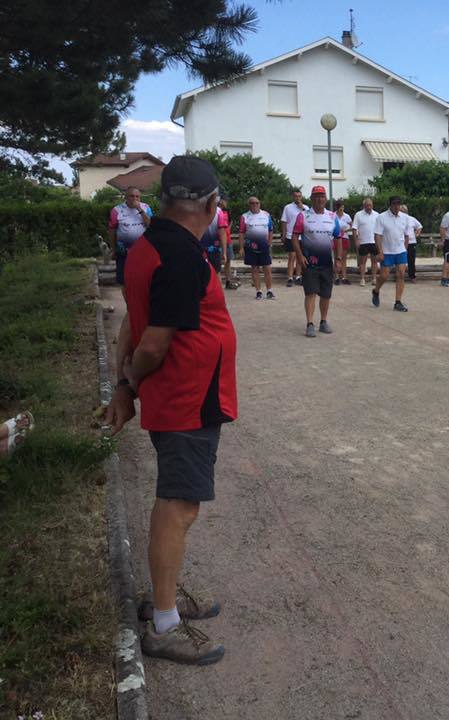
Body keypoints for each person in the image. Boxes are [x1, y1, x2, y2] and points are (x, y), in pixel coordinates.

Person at [104, 155, 236, 666]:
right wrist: (132, 381)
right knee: (179, 506)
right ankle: (163, 623)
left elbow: (131, 322)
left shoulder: (147, 246)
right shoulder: (180, 257)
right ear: (211, 203)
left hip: (180, 397)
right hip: (187, 400)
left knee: (177, 503)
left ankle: (164, 595)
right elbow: (153, 344)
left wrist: (124, 386)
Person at [292, 186, 340, 336]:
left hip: (327, 263)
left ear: (326, 199)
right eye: (316, 196)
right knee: (310, 293)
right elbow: (294, 237)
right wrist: (300, 256)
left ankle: (323, 321)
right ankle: (310, 323)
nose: (320, 199)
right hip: (309, 263)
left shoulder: (332, 216)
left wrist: (338, 259)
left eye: (322, 196)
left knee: (326, 294)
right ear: (312, 199)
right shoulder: (303, 216)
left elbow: (338, 238)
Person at [108, 187, 153, 294]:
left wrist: (140, 210)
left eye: (137, 196)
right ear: (125, 197)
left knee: (143, 279)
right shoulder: (116, 210)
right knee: (124, 281)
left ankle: (139, 302)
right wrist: (113, 249)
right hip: (123, 251)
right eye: (132, 196)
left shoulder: (146, 207)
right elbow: (112, 231)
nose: (135, 199)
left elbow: (151, 225)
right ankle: (128, 304)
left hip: (143, 251)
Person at [373, 196, 410, 312]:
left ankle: (398, 302)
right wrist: (380, 252)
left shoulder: (405, 217)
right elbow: (377, 235)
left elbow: (407, 235)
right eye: (394, 204)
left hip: (400, 250)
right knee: (384, 276)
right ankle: (376, 290)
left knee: (401, 274)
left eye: (398, 204)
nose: (397, 206)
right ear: (390, 205)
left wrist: (405, 249)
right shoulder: (381, 217)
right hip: (387, 251)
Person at [240, 196, 275, 300]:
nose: (255, 205)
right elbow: (241, 233)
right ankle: (258, 291)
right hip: (251, 247)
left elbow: (270, 230)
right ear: (249, 205)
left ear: (260, 204)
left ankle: (269, 291)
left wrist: (269, 243)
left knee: (267, 268)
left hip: (264, 246)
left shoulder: (266, 215)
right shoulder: (244, 216)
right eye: (252, 203)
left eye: (257, 203)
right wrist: (241, 248)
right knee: (254, 268)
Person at [280, 189, 306, 288]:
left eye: (299, 196)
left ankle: (298, 276)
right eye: (296, 196)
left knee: (300, 257)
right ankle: (290, 277)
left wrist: (302, 208)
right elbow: (284, 221)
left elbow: (308, 219)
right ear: (293, 197)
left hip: (302, 236)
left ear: (301, 197)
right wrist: (283, 234)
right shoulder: (288, 207)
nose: (297, 198)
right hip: (290, 235)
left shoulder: (306, 208)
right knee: (292, 256)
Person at [200, 193, 229, 279]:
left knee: (216, 273)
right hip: (198, 248)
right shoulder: (195, 210)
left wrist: (224, 251)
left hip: (213, 249)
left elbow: (222, 232)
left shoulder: (218, 211)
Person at [354, 197, 379, 286]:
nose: (369, 207)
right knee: (362, 262)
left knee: (374, 262)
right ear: (364, 206)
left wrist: (380, 241)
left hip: (374, 241)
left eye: (370, 205)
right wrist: (356, 240)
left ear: (372, 205)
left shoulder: (377, 215)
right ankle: (362, 279)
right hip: (363, 241)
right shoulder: (358, 215)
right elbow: (354, 229)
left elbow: (380, 229)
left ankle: (374, 278)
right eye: (367, 205)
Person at [217, 196, 239, 290]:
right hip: (218, 240)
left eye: (226, 201)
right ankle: (217, 283)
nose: (226, 203)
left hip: (228, 239)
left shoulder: (227, 211)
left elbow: (230, 221)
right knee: (217, 261)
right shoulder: (216, 211)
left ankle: (228, 281)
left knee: (228, 261)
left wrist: (228, 230)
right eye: (225, 201)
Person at [397, 204, 422, 284]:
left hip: (411, 242)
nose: (402, 213)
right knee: (400, 260)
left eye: (404, 211)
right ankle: (400, 276)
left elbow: (419, 226)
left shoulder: (412, 219)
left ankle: (412, 276)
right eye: (401, 211)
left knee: (411, 260)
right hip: (400, 242)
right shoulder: (397, 219)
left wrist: (417, 234)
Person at [332, 200, 352, 286]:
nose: (341, 209)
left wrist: (346, 230)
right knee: (336, 257)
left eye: (342, 207)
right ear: (337, 207)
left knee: (344, 258)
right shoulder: (333, 215)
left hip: (344, 238)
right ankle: (336, 277)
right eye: (340, 207)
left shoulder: (347, 216)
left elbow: (352, 226)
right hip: (335, 238)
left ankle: (344, 277)